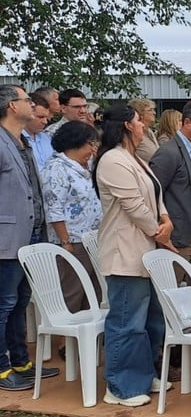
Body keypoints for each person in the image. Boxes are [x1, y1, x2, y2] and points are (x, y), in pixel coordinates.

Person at [93, 104, 174, 407]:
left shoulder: (136, 159)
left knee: (152, 320)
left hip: (147, 249)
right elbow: (134, 205)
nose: (144, 126)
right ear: (128, 125)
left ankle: (143, 373)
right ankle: (120, 385)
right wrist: (158, 230)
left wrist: (165, 219)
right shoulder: (112, 160)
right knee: (127, 321)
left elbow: (155, 194)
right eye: (140, 121)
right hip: (125, 252)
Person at [0, 85, 60, 391]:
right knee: (4, 303)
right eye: (26, 100)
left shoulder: (21, 140)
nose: (32, 105)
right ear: (12, 106)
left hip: (31, 234)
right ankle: (1, 368)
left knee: (20, 300)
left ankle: (21, 362)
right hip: (7, 237)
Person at [149, 100, 191, 283]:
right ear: (187, 123)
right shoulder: (168, 153)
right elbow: (152, 193)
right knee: (172, 291)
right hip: (179, 235)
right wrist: (163, 229)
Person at [42, 121, 103, 312]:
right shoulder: (57, 168)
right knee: (72, 294)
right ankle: (62, 342)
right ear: (76, 143)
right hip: (72, 242)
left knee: (94, 295)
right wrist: (65, 242)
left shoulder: (84, 168)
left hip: (91, 239)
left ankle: (87, 342)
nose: (93, 150)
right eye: (90, 145)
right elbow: (55, 207)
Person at [22, 92, 54, 171]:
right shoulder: (15, 140)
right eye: (40, 117)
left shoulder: (47, 138)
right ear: (28, 114)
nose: (45, 122)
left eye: (46, 117)